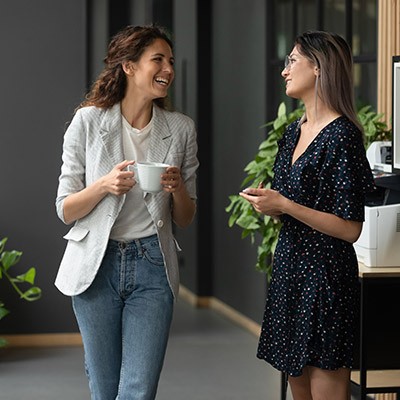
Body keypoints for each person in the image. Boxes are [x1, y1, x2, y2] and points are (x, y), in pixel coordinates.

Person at [55, 25, 199, 400]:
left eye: (170, 60)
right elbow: (65, 209)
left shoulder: (181, 129)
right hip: (96, 266)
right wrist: (104, 185)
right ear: (129, 67)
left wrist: (177, 187)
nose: (168, 68)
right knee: (104, 389)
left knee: (138, 389)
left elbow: (185, 217)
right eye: (158, 60)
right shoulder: (87, 122)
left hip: (152, 265)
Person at [240, 31, 374, 400]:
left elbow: (350, 229)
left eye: (292, 61)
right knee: (298, 389)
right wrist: (269, 205)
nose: (285, 71)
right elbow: (290, 209)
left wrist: (284, 205)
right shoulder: (291, 132)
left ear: (318, 68)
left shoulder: (342, 136)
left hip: (327, 279)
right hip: (290, 271)